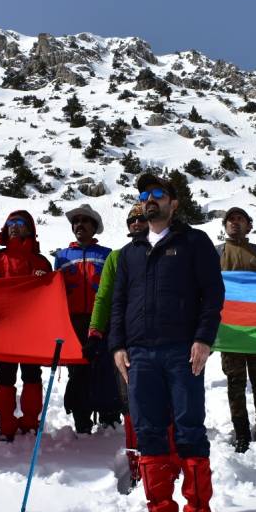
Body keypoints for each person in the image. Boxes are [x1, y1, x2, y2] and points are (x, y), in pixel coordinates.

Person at [110, 173, 224, 512]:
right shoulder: (130, 253)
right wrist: (117, 346)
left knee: (190, 432)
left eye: (157, 193)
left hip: (182, 352)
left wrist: (203, 338)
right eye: (144, 194)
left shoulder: (194, 242)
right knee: (149, 435)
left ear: (174, 203)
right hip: (140, 355)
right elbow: (118, 303)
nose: (149, 199)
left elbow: (213, 294)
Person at [87, 203, 151, 486]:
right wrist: (95, 331)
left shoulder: (165, 251)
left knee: (160, 402)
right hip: (126, 338)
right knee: (129, 400)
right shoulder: (117, 257)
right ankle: (136, 463)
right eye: (131, 220)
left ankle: (160, 462)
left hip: (161, 338)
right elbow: (104, 296)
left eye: (141, 218)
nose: (136, 223)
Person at [0, 210, 52, 442]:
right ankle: (7, 424)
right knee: (4, 375)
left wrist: (44, 280)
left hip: (31, 330)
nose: (13, 226)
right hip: (3, 329)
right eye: (10, 222)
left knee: (32, 375)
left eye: (19, 222)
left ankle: (30, 421)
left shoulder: (42, 262)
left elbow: (50, 296)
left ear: (30, 229)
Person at [216, 206, 256, 452]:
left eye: (240, 219)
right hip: (230, 331)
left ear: (249, 225)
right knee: (235, 382)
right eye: (230, 219)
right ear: (225, 226)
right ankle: (241, 432)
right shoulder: (216, 253)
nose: (234, 222)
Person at [55, 203, 113, 434]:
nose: (79, 225)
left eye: (85, 221)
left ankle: (109, 417)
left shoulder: (108, 254)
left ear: (94, 226)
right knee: (78, 371)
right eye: (76, 221)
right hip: (74, 322)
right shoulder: (62, 256)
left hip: (103, 321)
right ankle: (81, 419)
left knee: (104, 368)